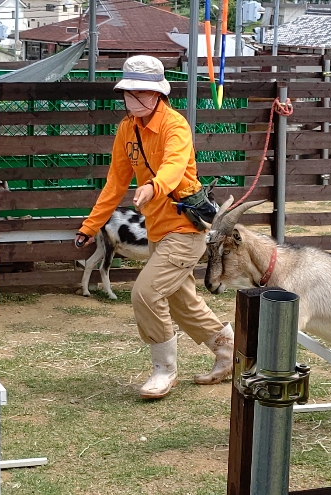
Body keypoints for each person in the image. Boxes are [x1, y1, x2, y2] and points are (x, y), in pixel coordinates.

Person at [74, 55, 233, 400]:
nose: (134, 99)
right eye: (129, 92)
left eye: (142, 92)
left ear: (158, 94)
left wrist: (152, 187)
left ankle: (164, 371)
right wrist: (91, 226)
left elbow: (175, 167)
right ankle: (229, 349)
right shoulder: (126, 128)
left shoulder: (175, 126)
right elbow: (115, 183)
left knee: (145, 293)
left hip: (186, 230)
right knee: (183, 302)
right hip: (157, 231)